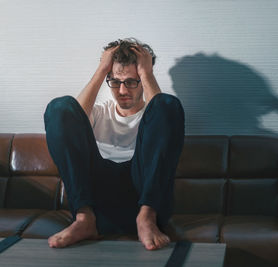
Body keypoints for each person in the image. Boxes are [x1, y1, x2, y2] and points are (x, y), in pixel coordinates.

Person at [43, 38, 185, 251]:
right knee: (59, 107)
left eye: (131, 81)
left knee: (167, 104)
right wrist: (102, 69)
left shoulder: (156, 116)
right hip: (97, 201)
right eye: (116, 82)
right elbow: (68, 121)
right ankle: (83, 219)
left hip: (144, 196)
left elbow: (161, 109)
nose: (122, 91)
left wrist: (147, 74)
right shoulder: (100, 111)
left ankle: (146, 217)